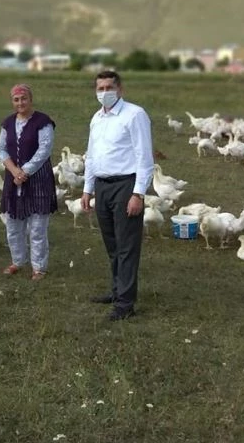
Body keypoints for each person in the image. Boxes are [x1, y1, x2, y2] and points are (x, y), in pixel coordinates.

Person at [81, 70, 154, 321]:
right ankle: (117, 290)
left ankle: (125, 303)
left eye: (109, 87)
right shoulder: (96, 118)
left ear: (120, 89)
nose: (104, 93)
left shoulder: (134, 115)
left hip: (126, 185)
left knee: (127, 246)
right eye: (100, 88)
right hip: (102, 186)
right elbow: (92, 155)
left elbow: (144, 157)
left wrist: (138, 194)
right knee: (112, 244)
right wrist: (87, 188)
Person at [0, 83, 57, 281]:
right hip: (13, 180)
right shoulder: (7, 123)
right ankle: (18, 260)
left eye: (24, 99)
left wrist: (25, 171)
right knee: (13, 224)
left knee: (37, 227)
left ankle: (39, 267)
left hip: (38, 179)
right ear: (12, 102)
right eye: (16, 99)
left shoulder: (43, 122)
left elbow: (44, 150)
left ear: (30, 100)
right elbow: (1, 149)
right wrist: (14, 170)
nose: (20, 103)